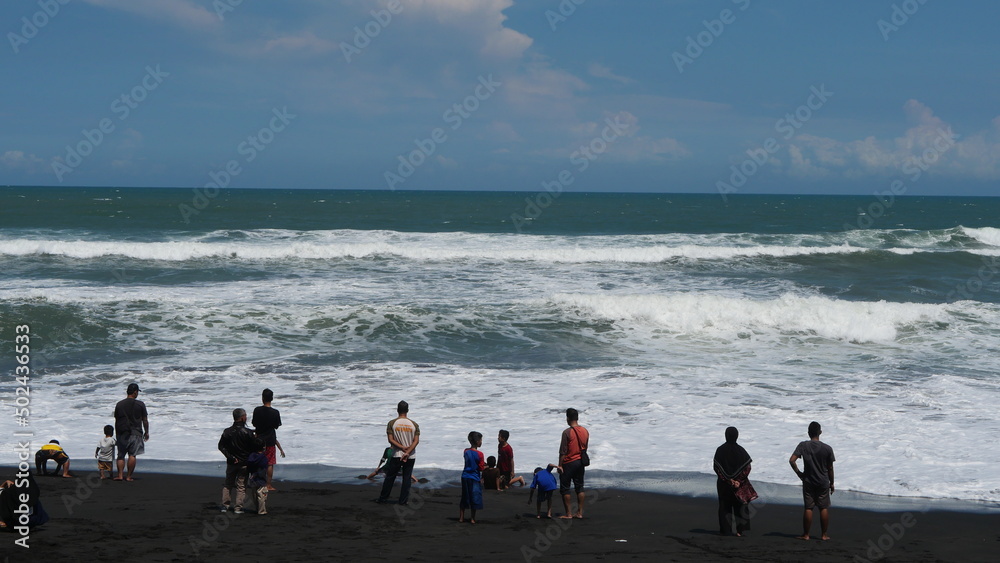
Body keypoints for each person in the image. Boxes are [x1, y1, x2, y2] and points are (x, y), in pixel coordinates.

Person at [789, 421, 836, 541]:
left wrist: (800, 474)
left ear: (808, 433)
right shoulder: (827, 448)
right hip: (823, 481)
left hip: (808, 480)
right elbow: (830, 468)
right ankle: (824, 535)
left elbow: (792, 460)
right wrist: (832, 483)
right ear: (820, 432)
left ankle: (806, 534)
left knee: (809, 508)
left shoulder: (803, 446)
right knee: (823, 507)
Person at [713, 426, 758, 536]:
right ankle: (739, 531)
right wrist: (738, 481)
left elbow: (716, 468)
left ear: (726, 436)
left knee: (724, 506)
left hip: (724, 484)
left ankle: (725, 530)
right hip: (739, 485)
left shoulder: (720, 450)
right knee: (740, 506)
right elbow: (748, 468)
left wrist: (728, 480)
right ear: (737, 436)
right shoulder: (741, 450)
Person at [376, 400, 420, 505]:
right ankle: (403, 501)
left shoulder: (392, 423)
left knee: (390, 477)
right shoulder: (414, 424)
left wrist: (402, 448)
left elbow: (390, 440)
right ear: (408, 410)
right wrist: (408, 451)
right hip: (410, 455)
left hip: (397, 454)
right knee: (407, 478)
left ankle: (383, 498)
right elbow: (416, 441)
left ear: (397, 410)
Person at [218, 408, 256, 514]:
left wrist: (230, 457)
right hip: (244, 463)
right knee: (241, 486)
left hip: (231, 462)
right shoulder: (247, 432)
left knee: (228, 484)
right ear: (242, 418)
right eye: (245, 416)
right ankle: (238, 507)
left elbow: (221, 446)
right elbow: (254, 447)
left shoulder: (227, 431)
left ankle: (225, 506)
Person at [557, 407, 589, 519]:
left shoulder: (567, 432)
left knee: (565, 488)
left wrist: (560, 465)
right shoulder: (585, 431)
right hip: (580, 462)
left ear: (568, 418)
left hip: (569, 462)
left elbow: (563, 451)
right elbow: (585, 447)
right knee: (579, 487)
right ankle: (579, 513)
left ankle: (569, 514)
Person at [113, 382, 149, 481]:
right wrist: (146, 432)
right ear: (135, 392)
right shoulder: (140, 404)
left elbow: (117, 419)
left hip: (122, 433)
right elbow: (144, 420)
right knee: (132, 455)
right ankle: (128, 476)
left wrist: (117, 434)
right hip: (136, 433)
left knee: (120, 455)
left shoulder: (119, 404)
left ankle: (120, 475)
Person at [251, 388, 285, 492]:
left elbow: (254, 423)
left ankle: (256, 482)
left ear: (262, 398)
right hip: (270, 439)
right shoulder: (275, 412)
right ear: (272, 399)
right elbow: (276, 426)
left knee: (257, 461)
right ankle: (268, 485)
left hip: (258, 439)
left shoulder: (257, 410)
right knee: (270, 463)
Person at [459, 431, 485, 524]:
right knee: (474, 497)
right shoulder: (480, 454)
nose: (481, 442)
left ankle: (461, 517)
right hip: (474, 477)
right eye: (481, 440)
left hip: (465, 475)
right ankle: (472, 518)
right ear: (477, 441)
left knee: (465, 496)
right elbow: (481, 468)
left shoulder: (466, 451)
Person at [244, 438, 269, 515]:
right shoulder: (263, 457)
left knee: (254, 494)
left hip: (253, 478)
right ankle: (261, 510)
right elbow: (264, 468)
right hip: (261, 478)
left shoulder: (251, 456)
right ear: (263, 447)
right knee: (262, 494)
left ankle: (257, 508)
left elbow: (249, 465)